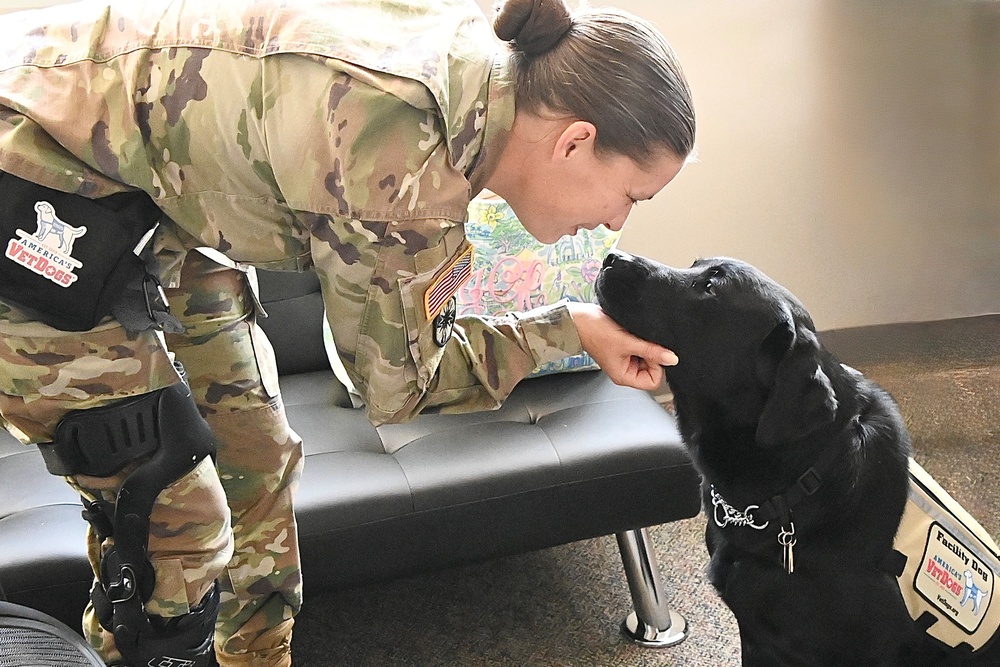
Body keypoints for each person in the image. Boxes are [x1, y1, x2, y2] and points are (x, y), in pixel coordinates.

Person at [0, 0, 695, 664]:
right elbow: (401, 388)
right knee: (174, 526)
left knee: (258, 461)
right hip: (34, 163)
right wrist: (568, 329)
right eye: (630, 195)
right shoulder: (405, 175)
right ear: (576, 140)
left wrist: (574, 325)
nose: (615, 225)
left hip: (147, 188)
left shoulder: (469, 57)